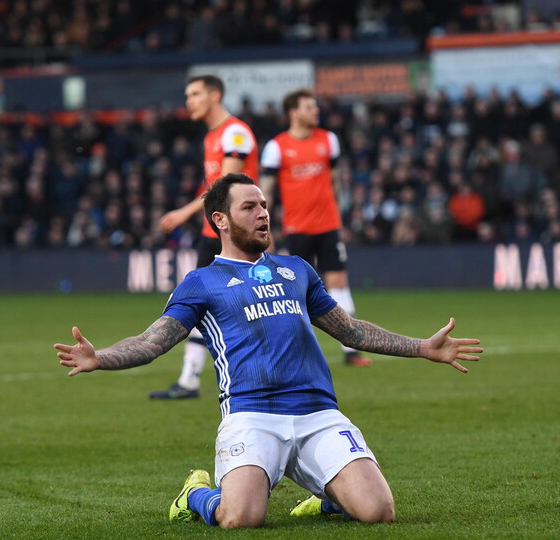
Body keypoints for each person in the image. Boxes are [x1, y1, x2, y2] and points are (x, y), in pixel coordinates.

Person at [55, 173, 483, 529]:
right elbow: (152, 342)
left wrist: (423, 347)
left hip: (318, 412)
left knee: (379, 512)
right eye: (250, 207)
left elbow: (349, 331)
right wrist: (101, 357)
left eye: (264, 205)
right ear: (220, 220)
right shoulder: (202, 282)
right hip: (251, 414)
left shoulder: (296, 269)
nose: (263, 213)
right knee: (240, 517)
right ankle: (196, 493)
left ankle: (333, 498)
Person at [150, 74, 258, 400]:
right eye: (187, 95)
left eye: (195, 94)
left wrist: (183, 213)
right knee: (205, 303)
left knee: (238, 304)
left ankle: (196, 380)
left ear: (215, 95)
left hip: (234, 235)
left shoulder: (234, 132)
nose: (189, 101)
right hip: (214, 233)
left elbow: (223, 187)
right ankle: (190, 380)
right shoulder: (212, 137)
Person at [259, 88, 369, 366]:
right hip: (297, 229)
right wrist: (263, 228)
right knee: (296, 290)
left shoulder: (328, 140)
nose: (316, 110)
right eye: (309, 107)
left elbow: (335, 183)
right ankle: (297, 351)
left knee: (339, 283)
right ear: (293, 113)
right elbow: (266, 192)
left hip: (329, 225)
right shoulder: (276, 147)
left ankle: (350, 349)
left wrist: (342, 216)